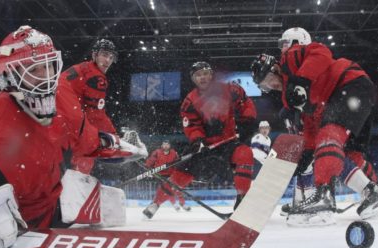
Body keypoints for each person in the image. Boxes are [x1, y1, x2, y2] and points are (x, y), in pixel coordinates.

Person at [0, 26, 146, 248]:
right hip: (21, 213)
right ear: (10, 74)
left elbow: (86, 136)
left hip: (52, 204)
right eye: (35, 68)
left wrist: (113, 145)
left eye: (48, 65)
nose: (46, 75)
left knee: (112, 206)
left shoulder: (63, 94)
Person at [250, 27, 378, 224]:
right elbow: (311, 124)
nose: (270, 86)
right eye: (264, 87)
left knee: (328, 138)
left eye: (267, 80)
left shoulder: (289, 60)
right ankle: (372, 193)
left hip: (349, 86)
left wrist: (300, 80)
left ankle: (323, 195)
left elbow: (321, 52)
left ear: (273, 68)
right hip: (353, 95)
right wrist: (308, 151)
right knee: (341, 153)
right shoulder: (290, 96)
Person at [142, 61, 257, 219]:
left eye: (205, 73)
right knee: (181, 175)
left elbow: (245, 103)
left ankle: (242, 200)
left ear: (211, 74)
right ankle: (155, 203)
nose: (202, 77)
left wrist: (247, 122)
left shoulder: (230, 89)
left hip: (229, 142)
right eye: (197, 75)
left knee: (245, 154)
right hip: (204, 147)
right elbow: (192, 126)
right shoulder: (190, 101)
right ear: (193, 79)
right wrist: (198, 141)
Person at [58, 38, 118, 174]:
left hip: (53, 113)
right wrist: (114, 135)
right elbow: (96, 115)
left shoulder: (84, 67)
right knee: (88, 142)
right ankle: (79, 179)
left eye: (110, 56)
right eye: (104, 54)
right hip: (66, 113)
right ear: (94, 55)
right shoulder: (97, 78)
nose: (107, 60)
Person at [145, 140, 190, 211]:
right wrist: (149, 169)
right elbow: (150, 161)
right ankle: (173, 204)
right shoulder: (157, 152)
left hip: (171, 174)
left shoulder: (174, 153)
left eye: (167, 144)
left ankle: (182, 203)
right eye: (164, 144)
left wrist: (179, 172)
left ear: (170, 146)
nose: (165, 146)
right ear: (162, 145)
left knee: (177, 188)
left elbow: (177, 163)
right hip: (159, 174)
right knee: (165, 190)